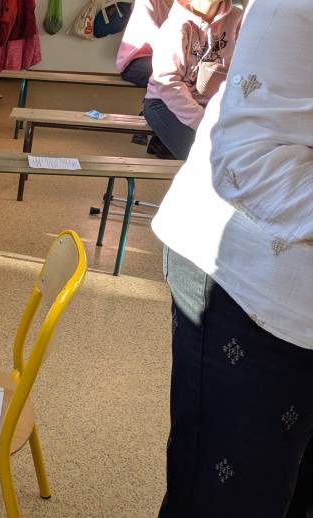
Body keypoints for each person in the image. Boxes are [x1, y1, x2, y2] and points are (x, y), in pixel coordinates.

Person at [151, 0, 313, 515]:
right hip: (249, 286)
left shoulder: (230, 19)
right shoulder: (187, 21)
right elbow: (244, 157)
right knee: (228, 498)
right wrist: (202, 121)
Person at [143, 0, 242, 160]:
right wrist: (203, 121)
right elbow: (168, 83)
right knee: (206, 158)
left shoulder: (236, 19)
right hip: (164, 102)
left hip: (210, 102)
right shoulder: (176, 25)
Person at [115, 0, 173, 88]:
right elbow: (153, 33)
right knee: (169, 75)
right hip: (134, 61)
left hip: (161, 58)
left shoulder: (182, 5)